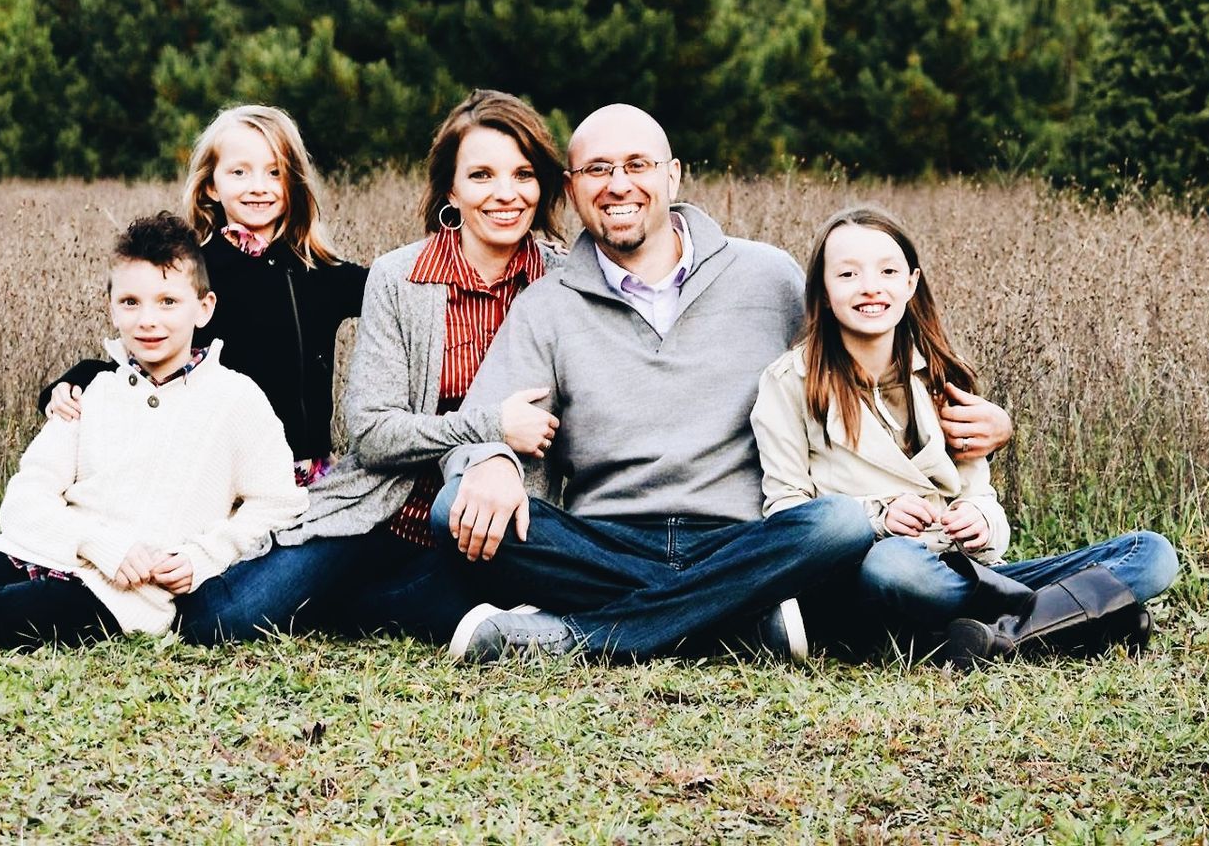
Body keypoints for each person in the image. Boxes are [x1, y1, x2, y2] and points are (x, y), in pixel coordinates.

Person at [432, 104, 1015, 662]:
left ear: (673, 175)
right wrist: (490, 462)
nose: (618, 184)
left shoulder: (768, 277)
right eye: (598, 169)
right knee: (451, 508)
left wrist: (989, 421)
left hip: (751, 541)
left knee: (836, 521)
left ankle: (577, 637)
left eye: (638, 165)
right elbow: (484, 424)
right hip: (605, 544)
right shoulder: (547, 306)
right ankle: (742, 619)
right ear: (573, 183)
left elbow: (865, 359)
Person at [175, 90, 568, 644]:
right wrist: (493, 426)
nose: (505, 194)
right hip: (382, 510)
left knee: (476, 591)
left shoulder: (563, 282)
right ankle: (392, 601)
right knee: (221, 621)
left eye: (523, 174)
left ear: (543, 184)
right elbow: (374, 432)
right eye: (481, 175)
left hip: (492, 523)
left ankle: (400, 603)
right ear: (450, 187)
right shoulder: (399, 277)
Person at [749, 205, 1178, 664]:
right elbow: (787, 516)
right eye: (848, 274)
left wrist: (979, 524)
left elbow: (982, 501)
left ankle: (1002, 634)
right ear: (824, 291)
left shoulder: (942, 377)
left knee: (1151, 553)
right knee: (893, 565)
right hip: (879, 577)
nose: (871, 286)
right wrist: (879, 519)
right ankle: (1073, 622)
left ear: (911, 284)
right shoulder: (789, 382)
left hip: (966, 573)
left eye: (888, 271)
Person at [0, 213, 307, 648]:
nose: (148, 320)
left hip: (129, 589)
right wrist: (97, 542)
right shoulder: (91, 391)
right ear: (112, 309)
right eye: (131, 302)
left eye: (168, 302)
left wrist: (202, 558)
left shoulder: (236, 398)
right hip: (46, 548)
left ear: (203, 308)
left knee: (16, 619)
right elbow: (25, 497)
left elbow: (277, 503)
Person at [41, 104, 367, 483]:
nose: (258, 186)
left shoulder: (320, 272)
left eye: (274, 172)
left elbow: (395, 291)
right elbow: (151, 356)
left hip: (308, 478)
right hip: (216, 478)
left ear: (293, 181)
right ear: (212, 184)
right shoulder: (195, 271)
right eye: (239, 172)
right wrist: (78, 378)